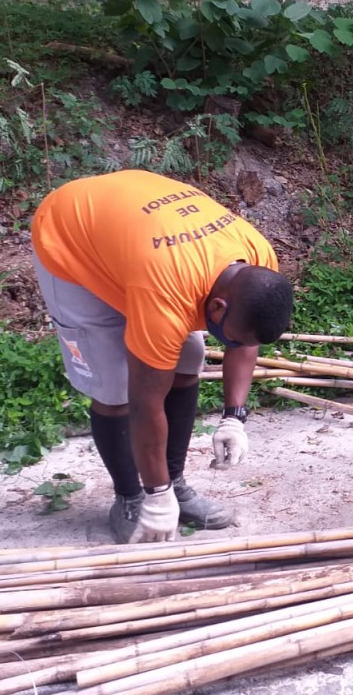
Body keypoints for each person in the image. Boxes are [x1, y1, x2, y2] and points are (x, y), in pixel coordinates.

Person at [30, 170, 294, 545]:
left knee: (189, 359)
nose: (233, 342)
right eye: (229, 333)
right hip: (70, 238)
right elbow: (144, 401)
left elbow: (243, 340)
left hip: (138, 238)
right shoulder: (166, 294)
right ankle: (131, 497)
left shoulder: (257, 260)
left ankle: (175, 483)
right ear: (217, 306)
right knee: (113, 385)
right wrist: (154, 496)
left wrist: (234, 418)